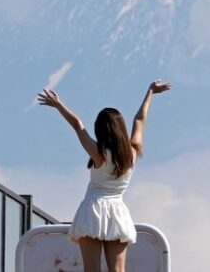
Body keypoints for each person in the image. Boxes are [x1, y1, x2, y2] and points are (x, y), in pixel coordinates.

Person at [37, 80, 171, 272]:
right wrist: (150, 92)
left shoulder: (98, 153)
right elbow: (139, 120)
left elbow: (78, 126)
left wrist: (59, 105)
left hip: (92, 209)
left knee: (92, 269)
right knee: (118, 270)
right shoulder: (132, 153)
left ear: (101, 130)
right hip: (117, 211)